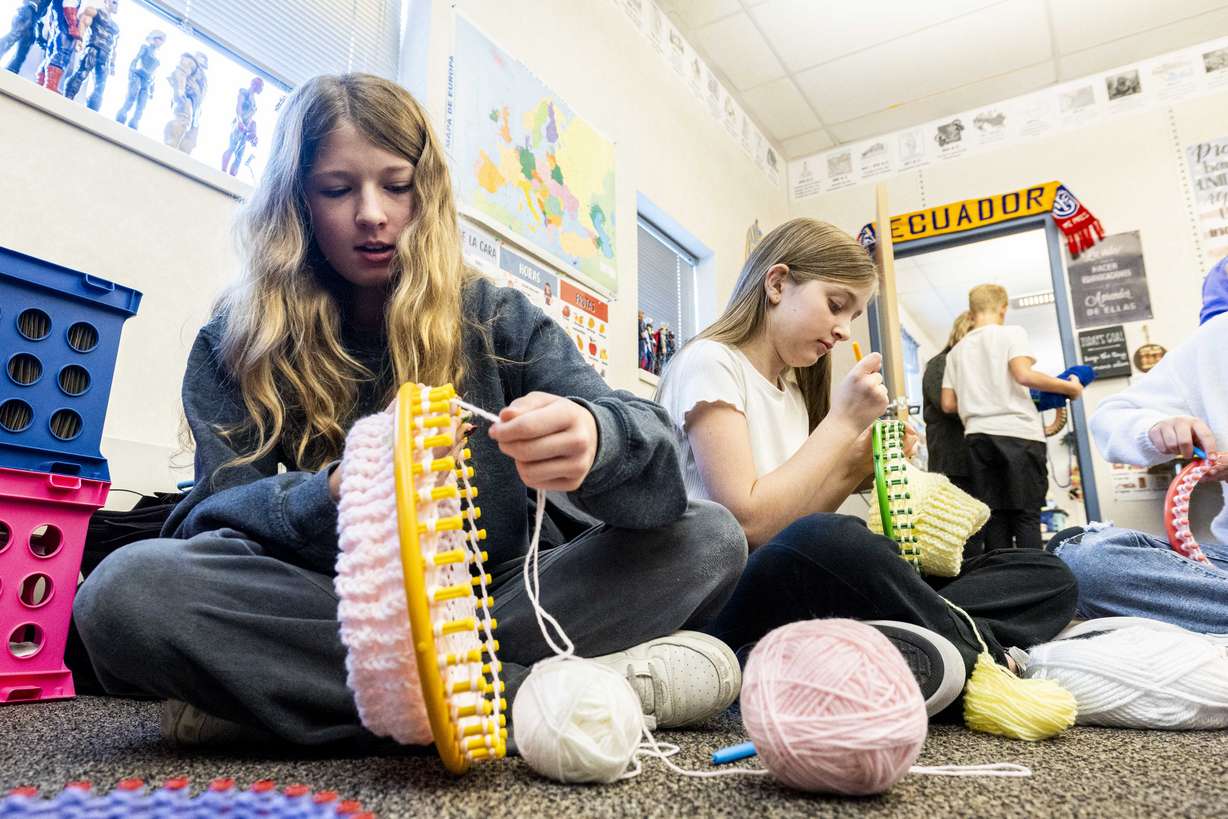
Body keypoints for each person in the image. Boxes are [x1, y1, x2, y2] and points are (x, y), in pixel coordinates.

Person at [73, 74, 747, 748]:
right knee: (121, 593)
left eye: (396, 186)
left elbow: (654, 454)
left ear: (425, 193)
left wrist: (598, 438)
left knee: (712, 536)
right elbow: (207, 516)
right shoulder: (238, 339)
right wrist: (334, 492)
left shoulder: (496, 318)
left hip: (503, 602)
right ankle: (539, 696)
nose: (372, 213)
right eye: (338, 189)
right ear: (298, 201)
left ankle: (283, 703)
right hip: (333, 610)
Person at [655, 218, 1078, 718]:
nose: (843, 329)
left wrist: (856, 465)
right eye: (837, 305)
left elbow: (790, 522)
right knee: (834, 539)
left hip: (789, 585)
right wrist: (842, 423)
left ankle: (905, 647)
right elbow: (747, 524)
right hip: (720, 603)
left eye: (853, 314)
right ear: (776, 283)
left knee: (1044, 571)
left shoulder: (792, 391)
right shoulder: (711, 360)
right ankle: (981, 655)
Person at [1050, 312, 1228, 635]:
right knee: (1084, 560)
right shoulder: (1217, 339)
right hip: (1224, 564)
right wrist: (1155, 429)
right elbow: (1110, 417)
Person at [941, 284, 1082, 549]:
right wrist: (1070, 388)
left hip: (978, 437)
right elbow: (1023, 375)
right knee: (1026, 515)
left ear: (972, 312)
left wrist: (977, 396)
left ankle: (1006, 586)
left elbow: (948, 404)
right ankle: (1034, 583)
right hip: (1018, 435)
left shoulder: (957, 351)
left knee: (994, 517)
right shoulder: (1012, 333)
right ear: (1003, 308)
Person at [921, 311, 982, 559]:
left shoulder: (975, 370)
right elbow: (947, 405)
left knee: (982, 533)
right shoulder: (940, 364)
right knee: (964, 537)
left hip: (975, 462)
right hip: (953, 462)